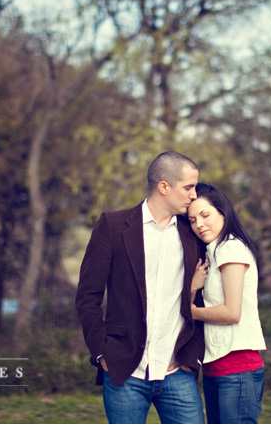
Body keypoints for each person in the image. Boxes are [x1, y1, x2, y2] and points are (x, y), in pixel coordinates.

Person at [75, 151, 206, 424]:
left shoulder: (192, 234)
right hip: (125, 372)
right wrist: (102, 352)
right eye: (189, 187)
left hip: (178, 372)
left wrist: (193, 354)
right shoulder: (112, 226)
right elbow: (88, 297)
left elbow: (200, 299)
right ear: (164, 187)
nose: (194, 195)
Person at [188, 182, 267, 424]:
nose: (199, 224)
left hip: (238, 368)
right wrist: (192, 288)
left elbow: (232, 312)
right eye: (192, 220)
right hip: (215, 367)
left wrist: (191, 312)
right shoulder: (212, 253)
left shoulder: (231, 249)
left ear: (222, 212)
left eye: (205, 214)